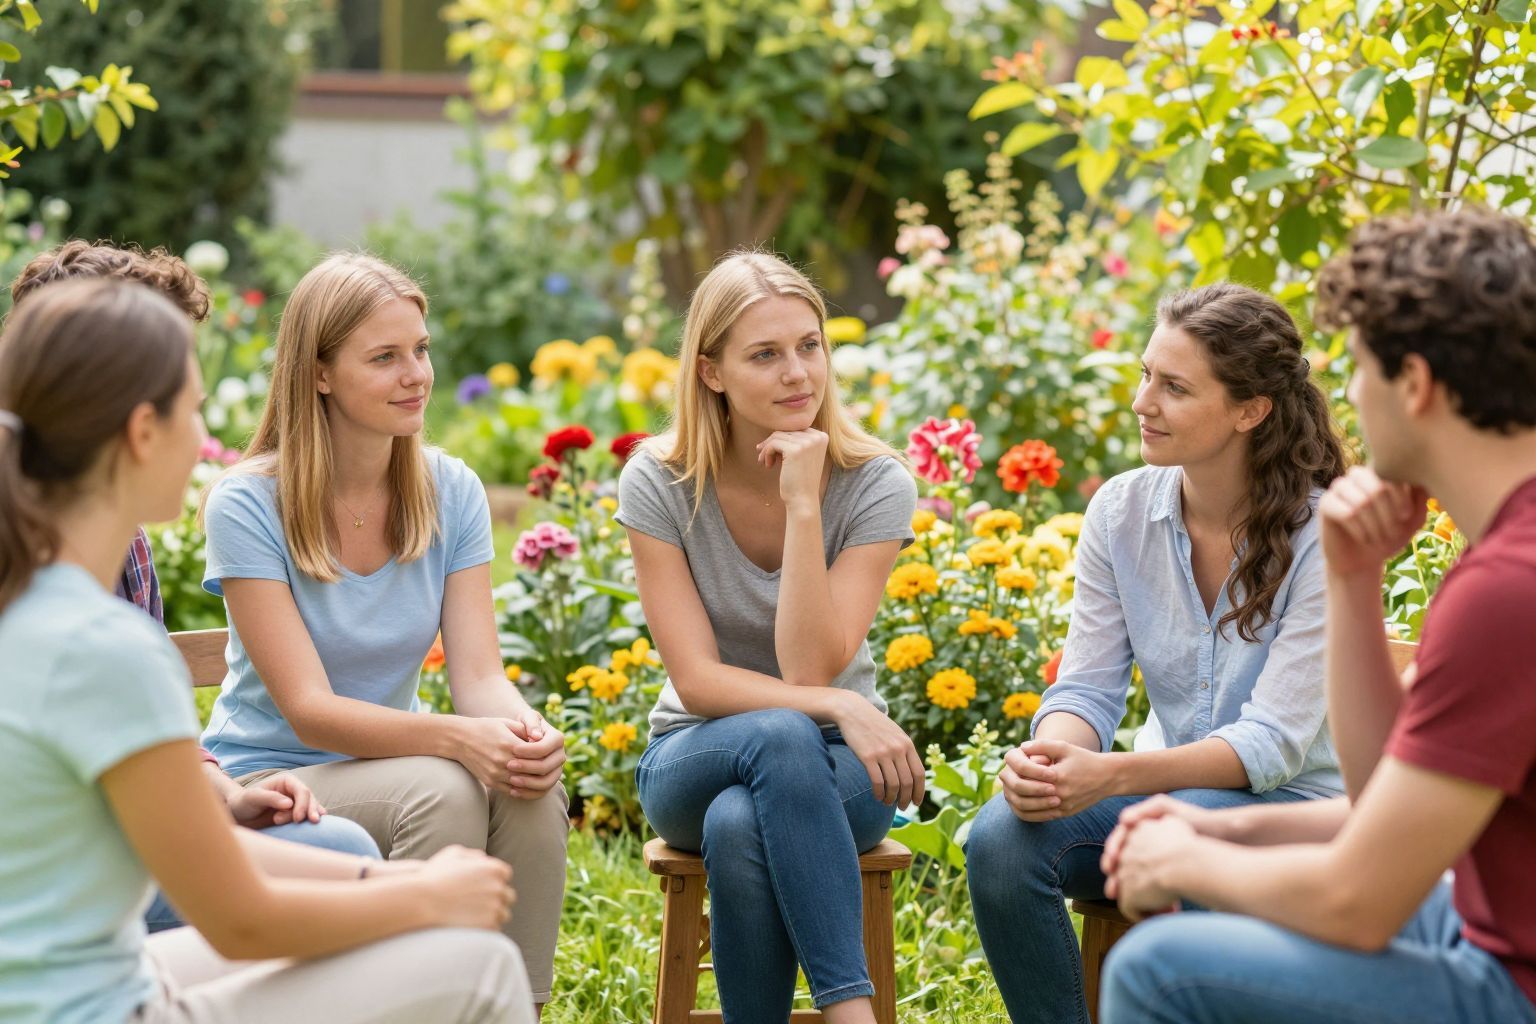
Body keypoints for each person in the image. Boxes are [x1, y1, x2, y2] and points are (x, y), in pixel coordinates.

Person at [0, 277, 534, 1023]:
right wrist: (425, 898)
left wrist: (388, 885)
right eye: (194, 409)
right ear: (143, 433)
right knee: (479, 964)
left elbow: (194, 851)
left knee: (373, 892)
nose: (204, 439)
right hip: (98, 1008)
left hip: (74, 975)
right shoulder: (107, 648)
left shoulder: (30, 609)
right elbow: (239, 920)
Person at [1098, 208, 1536, 1024]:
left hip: (1513, 984)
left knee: (1158, 971)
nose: (1350, 397)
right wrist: (1352, 576)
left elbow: (1357, 904)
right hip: (1493, 929)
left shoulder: (1507, 592)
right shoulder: (1507, 555)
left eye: (1361, 369)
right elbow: (1380, 801)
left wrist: (1186, 860)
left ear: (1415, 385)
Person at [965, 282, 1348, 1023]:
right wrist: (1050, 762)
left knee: (1191, 833)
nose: (1143, 402)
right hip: (1167, 797)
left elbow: (1272, 745)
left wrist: (1110, 775)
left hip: (1299, 812)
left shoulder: (1324, 536)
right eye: (1146, 375)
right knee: (1004, 838)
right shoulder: (1121, 511)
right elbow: (1086, 689)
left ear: (1250, 410)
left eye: (1175, 387)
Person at [198, 252, 569, 1009]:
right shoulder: (248, 503)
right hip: (271, 781)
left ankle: (514, 1010)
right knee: (443, 787)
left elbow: (479, 677)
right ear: (320, 373)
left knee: (529, 789)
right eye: (385, 357)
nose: (416, 375)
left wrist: (524, 734)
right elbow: (310, 710)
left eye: (421, 350)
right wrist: (459, 739)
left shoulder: (451, 490)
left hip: (394, 764)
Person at [8, 240, 381, 934]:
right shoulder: (59, 600)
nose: (203, 434)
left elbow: (153, 745)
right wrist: (403, 894)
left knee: (344, 854)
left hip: (106, 853)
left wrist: (222, 793)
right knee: (352, 866)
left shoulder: (119, 544)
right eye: (183, 398)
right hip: (68, 893)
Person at [615, 251, 920, 1024]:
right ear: (711, 371)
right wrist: (841, 705)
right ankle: (853, 1015)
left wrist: (804, 506)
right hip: (695, 754)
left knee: (739, 822)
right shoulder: (660, 481)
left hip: (842, 773)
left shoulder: (875, 482)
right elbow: (698, 682)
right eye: (765, 354)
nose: (797, 374)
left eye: (809, 346)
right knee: (780, 735)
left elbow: (807, 665)